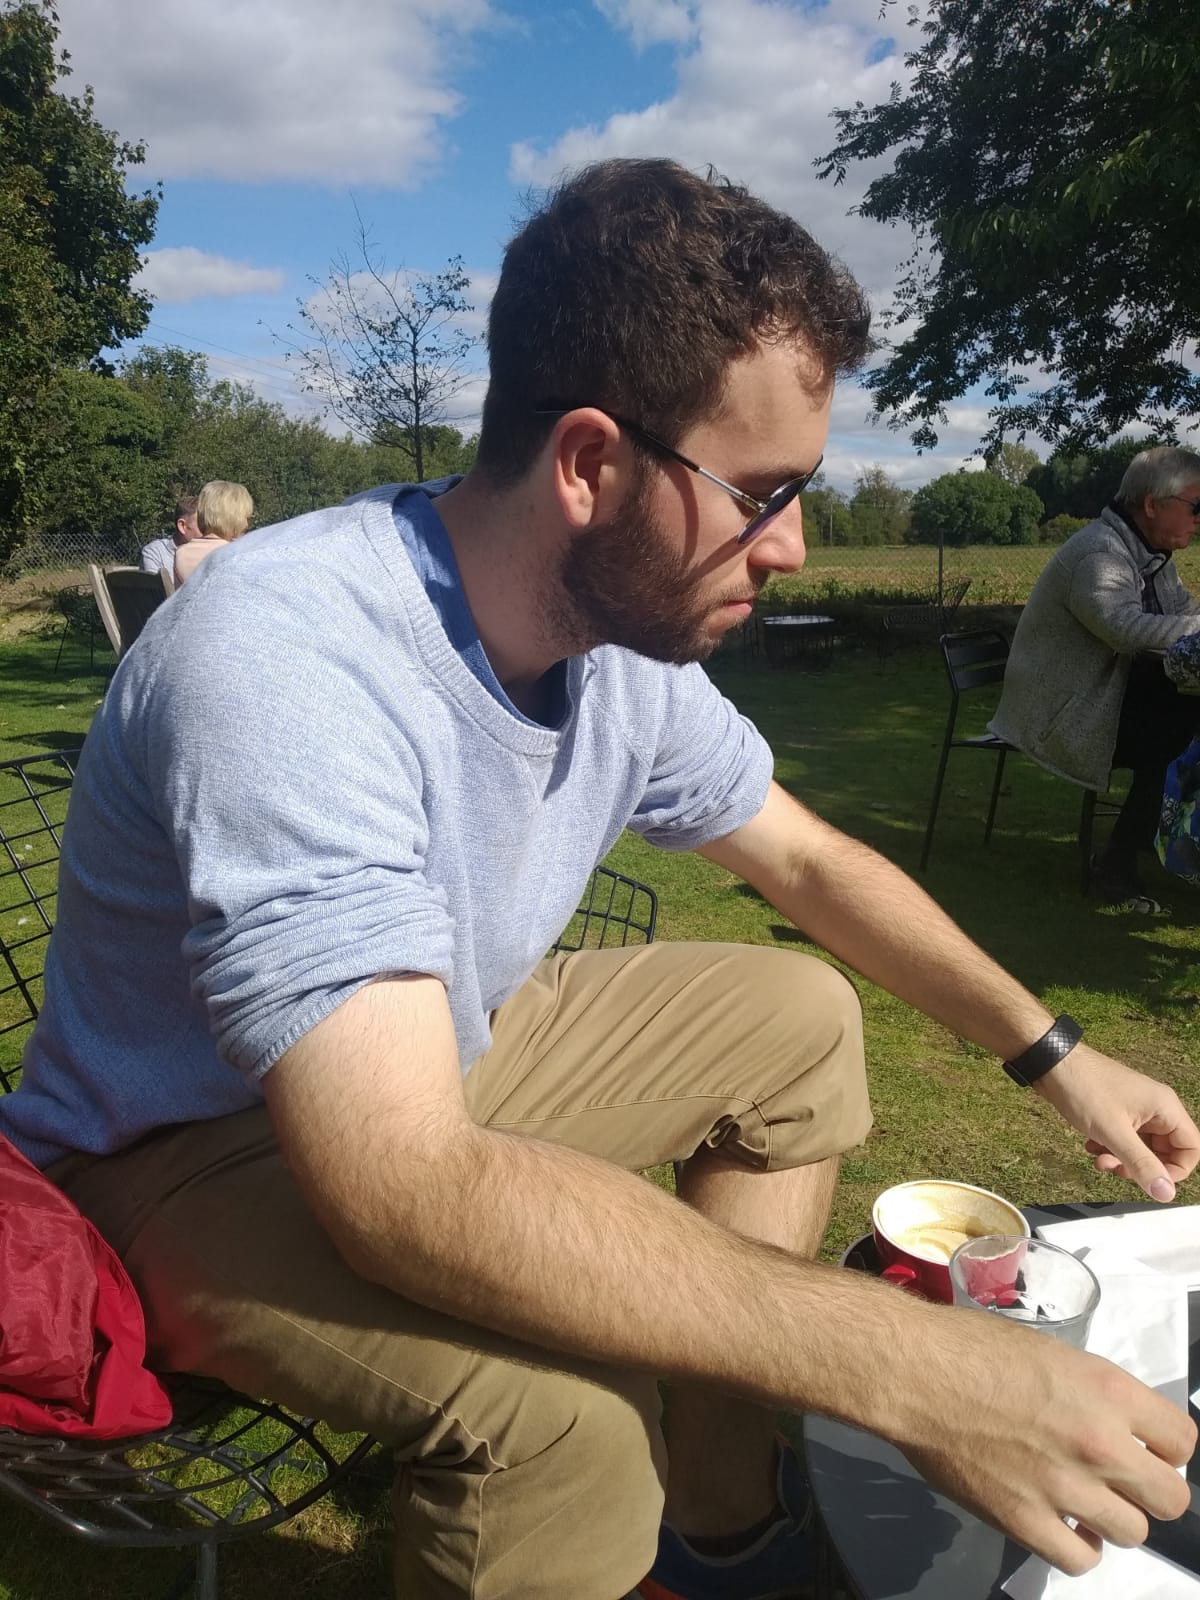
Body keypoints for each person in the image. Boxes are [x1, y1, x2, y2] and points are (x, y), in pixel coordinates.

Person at [0, 160, 1195, 1600]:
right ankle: (612, 1510)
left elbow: (807, 858)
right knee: (566, 1421)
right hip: (170, 1155)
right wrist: (911, 1367)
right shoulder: (288, 660)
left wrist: (1053, 1054)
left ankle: (715, 1519)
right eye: (764, 492)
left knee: (796, 1020)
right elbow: (399, 1187)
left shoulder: (615, 647)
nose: (798, 541)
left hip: (420, 1061)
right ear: (588, 464)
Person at [992, 445, 1200, 911]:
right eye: (1195, 507)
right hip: (1062, 713)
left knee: (1186, 721)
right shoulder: (1100, 554)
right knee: (1177, 736)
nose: (1199, 519)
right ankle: (1117, 870)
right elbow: (1125, 630)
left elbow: (1183, 613)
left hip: (1099, 696)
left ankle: (1157, 839)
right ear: (1152, 504)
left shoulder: (1148, 552)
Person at [173, 479, 254, 584]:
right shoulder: (235, 554)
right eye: (245, 517)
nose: (246, 524)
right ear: (233, 517)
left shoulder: (181, 553)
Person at [139, 493, 199, 575]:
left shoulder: (212, 553)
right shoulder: (156, 553)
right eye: (202, 525)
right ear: (182, 526)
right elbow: (154, 587)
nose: (208, 530)